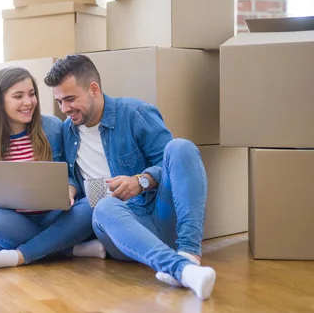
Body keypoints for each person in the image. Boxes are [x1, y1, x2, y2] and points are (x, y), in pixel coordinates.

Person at [43, 55, 216, 300]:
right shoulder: (66, 131)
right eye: (59, 101)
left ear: (94, 89)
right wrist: (69, 188)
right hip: (120, 230)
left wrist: (140, 181)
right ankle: (182, 270)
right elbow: (73, 179)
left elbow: (170, 165)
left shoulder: (134, 113)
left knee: (180, 147)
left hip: (160, 213)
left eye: (70, 99)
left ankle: (188, 256)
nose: (65, 109)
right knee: (104, 207)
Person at [0, 66, 104, 271]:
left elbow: (69, 174)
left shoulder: (52, 127)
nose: (28, 102)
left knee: (94, 203)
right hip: (14, 220)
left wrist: (69, 188)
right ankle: (69, 249)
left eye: (32, 94)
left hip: (55, 216)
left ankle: (21, 254)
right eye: (18, 96)